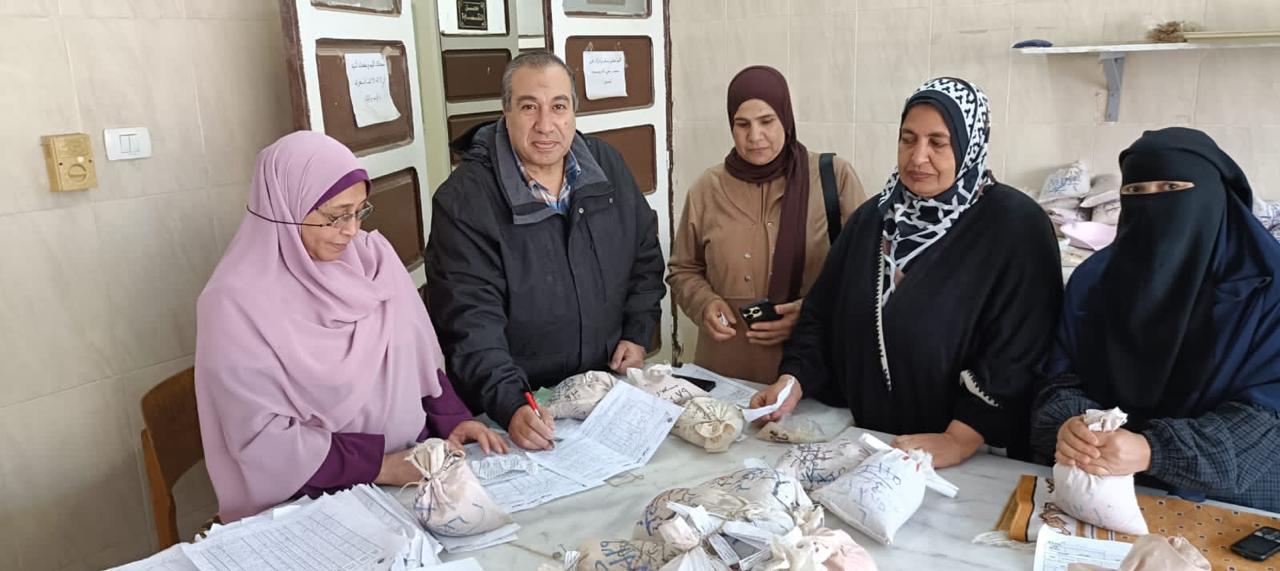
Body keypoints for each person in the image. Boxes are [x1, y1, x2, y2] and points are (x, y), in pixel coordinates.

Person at [750, 77, 1062, 466]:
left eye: (938, 143)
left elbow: (1020, 351)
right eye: (908, 139)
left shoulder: (1015, 227)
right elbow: (820, 314)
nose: (917, 157)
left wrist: (958, 440)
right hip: (874, 442)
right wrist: (792, 381)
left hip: (973, 454)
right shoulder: (874, 219)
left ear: (969, 145)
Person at [195, 131, 504, 522]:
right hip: (311, 500)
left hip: (413, 474)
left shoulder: (373, 261)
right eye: (336, 216)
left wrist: (456, 421)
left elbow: (419, 363)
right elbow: (262, 442)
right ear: (286, 208)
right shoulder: (233, 304)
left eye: (360, 211)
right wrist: (383, 466)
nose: (352, 230)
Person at [426, 51, 664, 451]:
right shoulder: (465, 199)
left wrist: (637, 332)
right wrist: (510, 401)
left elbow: (644, 256)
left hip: (602, 391)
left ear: (573, 111)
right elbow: (469, 320)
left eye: (558, 106)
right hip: (516, 410)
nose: (545, 125)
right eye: (528, 107)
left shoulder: (606, 167)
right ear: (505, 112)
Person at [1032, 127, 1280, 511]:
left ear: (1215, 194)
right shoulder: (1095, 281)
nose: (1153, 204)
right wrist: (1071, 426)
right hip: (1096, 486)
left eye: (1170, 188)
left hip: (1228, 503)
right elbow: (1060, 377)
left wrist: (1153, 451)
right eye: (1135, 191)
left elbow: (1268, 418)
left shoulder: (1267, 290)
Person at [667, 66, 867, 384]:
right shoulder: (707, 188)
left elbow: (864, 271)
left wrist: (808, 312)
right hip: (723, 369)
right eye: (742, 124)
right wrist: (704, 303)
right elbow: (683, 270)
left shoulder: (832, 178)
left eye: (766, 121)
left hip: (808, 369)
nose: (755, 136)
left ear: (785, 118)